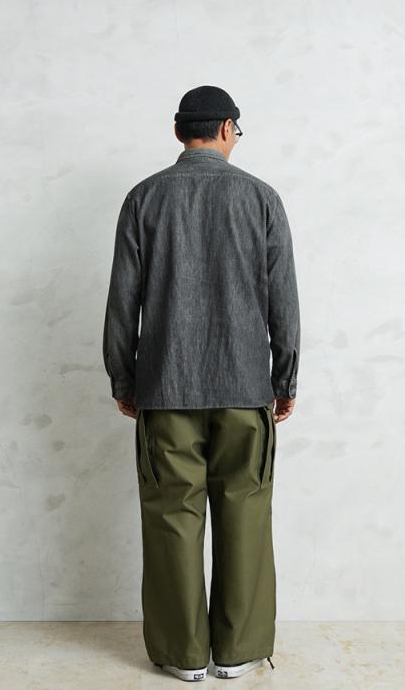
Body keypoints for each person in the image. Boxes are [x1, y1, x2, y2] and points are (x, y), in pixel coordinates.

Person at [102, 85, 300, 682]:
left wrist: (124, 378)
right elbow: (283, 300)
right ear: (227, 129)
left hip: (166, 388)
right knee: (245, 513)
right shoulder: (261, 198)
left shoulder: (144, 198)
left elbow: (122, 301)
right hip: (245, 388)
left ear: (178, 132)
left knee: (171, 516)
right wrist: (285, 378)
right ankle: (238, 651)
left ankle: (181, 655)